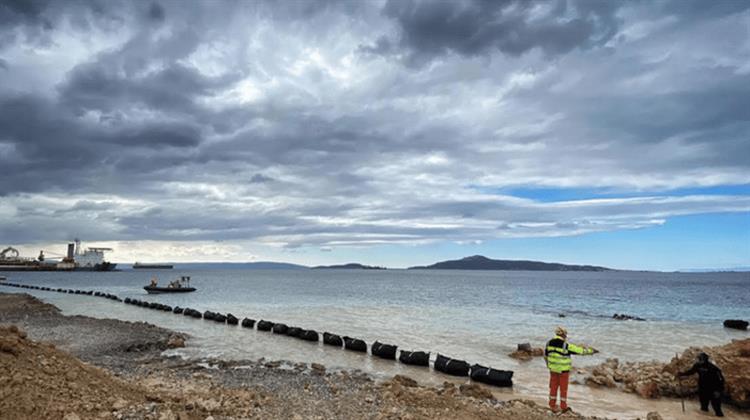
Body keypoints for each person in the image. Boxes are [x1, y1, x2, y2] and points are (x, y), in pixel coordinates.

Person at [545, 326, 597, 412]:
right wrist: (591, 351)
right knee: (563, 389)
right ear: (564, 335)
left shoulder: (548, 343)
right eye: (566, 335)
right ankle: (563, 407)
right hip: (563, 371)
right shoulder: (566, 345)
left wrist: (549, 366)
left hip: (553, 370)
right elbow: (580, 351)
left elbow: (546, 356)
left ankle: (552, 405)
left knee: (553, 387)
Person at [677, 352, 725, 417]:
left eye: (701, 359)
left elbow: (721, 380)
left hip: (714, 389)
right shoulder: (697, 365)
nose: (700, 361)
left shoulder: (713, 368)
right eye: (699, 359)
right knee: (704, 407)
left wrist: (719, 391)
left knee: (717, 409)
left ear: (705, 359)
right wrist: (682, 374)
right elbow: (691, 372)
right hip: (703, 388)